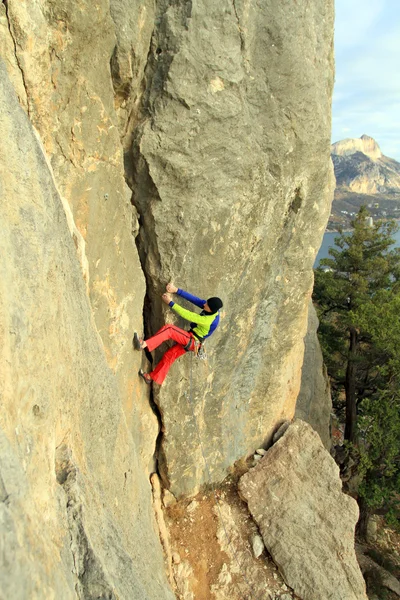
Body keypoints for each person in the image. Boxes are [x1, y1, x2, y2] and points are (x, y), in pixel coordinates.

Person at [133, 283, 223, 385]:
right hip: (194, 343)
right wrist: (176, 290)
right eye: (206, 302)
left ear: (211, 309)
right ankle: (150, 377)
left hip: (192, 339)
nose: (204, 304)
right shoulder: (212, 309)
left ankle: (143, 344)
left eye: (207, 305)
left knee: (169, 329)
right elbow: (194, 299)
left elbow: (188, 315)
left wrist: (171, 303)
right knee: (169, 356)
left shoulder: (208, 320)